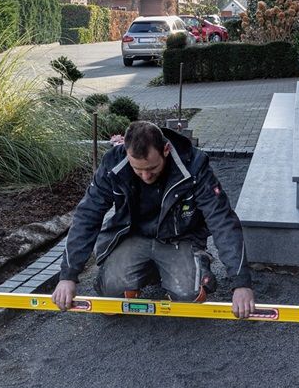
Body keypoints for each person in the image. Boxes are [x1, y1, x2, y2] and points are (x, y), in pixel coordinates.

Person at [53, 120, 255, 318]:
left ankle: (191, 262)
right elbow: (88, 215)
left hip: (179, 238)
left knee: (189, 296)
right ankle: (148, 270)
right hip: (133, 237)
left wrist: (241, 283)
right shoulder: (113, 164)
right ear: (126, 152)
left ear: (166, 149)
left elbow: (222, 220)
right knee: (111, 294)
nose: (145, 176)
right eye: (137, 169)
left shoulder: (194, 165)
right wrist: (68, 275)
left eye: (151, 168)